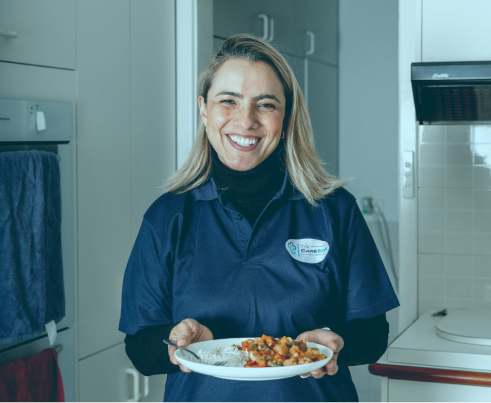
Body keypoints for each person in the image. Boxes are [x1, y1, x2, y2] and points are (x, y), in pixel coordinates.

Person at [119, 34, 399, 402]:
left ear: (285, 117)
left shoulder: (334, 210)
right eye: (228, 101)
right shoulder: (168, 217)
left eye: (265, 104)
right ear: (204, 109)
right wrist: (177, 343)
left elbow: (373, 335)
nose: (246, 120)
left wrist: (336, 343)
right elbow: (140, 347)